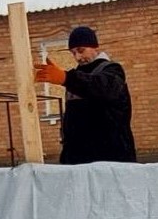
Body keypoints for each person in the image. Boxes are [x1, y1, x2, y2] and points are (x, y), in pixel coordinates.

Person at [33, 26, 137, 165]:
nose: (78, 57)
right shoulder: (76, 77)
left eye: (81, 50)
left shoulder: (112, 70)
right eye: (73, 53)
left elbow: (102, 87)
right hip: (80, 159)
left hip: (111, 158)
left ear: (94, 47)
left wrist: (66, 78)